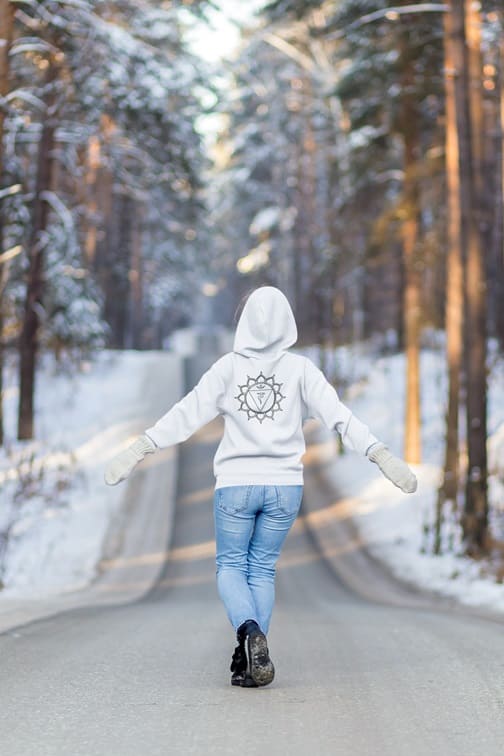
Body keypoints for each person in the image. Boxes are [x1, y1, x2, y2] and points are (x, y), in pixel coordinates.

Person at [105, 285, 417, 689]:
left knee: (231, 566)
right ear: (288, 322)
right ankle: (250, 657)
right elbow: (340, 418)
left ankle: (248, 632)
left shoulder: (227, 369)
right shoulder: (301, 370)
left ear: (244, 321)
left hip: (236, 485)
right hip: (285, 488)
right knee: (262, 569)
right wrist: (378, 453)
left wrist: (141, 447)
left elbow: (185, 415)